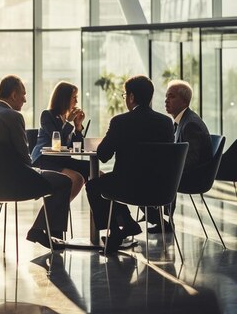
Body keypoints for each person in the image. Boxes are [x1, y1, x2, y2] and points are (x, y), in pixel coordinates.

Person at [0, 75, 72, 250]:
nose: (25, 99)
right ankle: (48, 234)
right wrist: (37, 174)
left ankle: (45, 232)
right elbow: (24, 156)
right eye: (23, 95)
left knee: (55, 179)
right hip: (15, 184)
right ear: (13, 95)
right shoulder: (13, 116)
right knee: (65, 181)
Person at [86, 75, 175, 253]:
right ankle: (126, 224)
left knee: (93, 186)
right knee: (107, 184)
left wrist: (110, 136)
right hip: (160, 189)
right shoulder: (166, 123)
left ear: (131, 97)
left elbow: (103, 155)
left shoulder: (120, 122)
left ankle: (115, 231)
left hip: (127, 188)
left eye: (125, 95)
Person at [146, 79, 213, 233]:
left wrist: (166, 169)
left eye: (171, 97)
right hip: (191, 173)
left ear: (184, 100)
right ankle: (160, 219)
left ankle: (160, 220)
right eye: (166, 96)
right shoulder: (183, 121)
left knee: (146, 177)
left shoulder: (190, 124)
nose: (166, 100)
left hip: (196, 178)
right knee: (150, 173)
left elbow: (191, 159)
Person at [31, 81, 89, 201]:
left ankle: (104, 217)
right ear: (65, 98)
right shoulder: (47, 115)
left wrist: (78, 126)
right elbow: (57, 142)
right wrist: (67, 123)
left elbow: (76, 146)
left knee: (96, 173)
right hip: (44, 160)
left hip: (61, 160)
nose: (76, 102)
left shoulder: (66, 119)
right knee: (78, 179)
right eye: (74, 98)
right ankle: (58, 209)